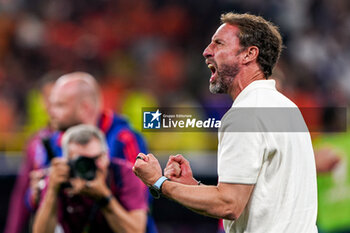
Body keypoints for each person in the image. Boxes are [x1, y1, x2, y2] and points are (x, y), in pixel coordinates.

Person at [133, 12, 318, 233]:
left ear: (249, 54)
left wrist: (160, 182)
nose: (206, 51)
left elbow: (229, 204)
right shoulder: (287, 108)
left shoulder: (245, 113)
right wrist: (194, 187)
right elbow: (258, 198)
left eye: (218, 44)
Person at [26, 72, 158, 232]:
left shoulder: (123, 139)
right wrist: (40, 193)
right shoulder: (53, 142)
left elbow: (141, 200)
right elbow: (34, 202)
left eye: (59, 105)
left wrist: (102, 194)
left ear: (85, 108)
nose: (50, 112)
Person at [33, 124, 148, 233]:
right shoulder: (60, 177)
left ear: (106, 156)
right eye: (82, 162)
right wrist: (52, 190)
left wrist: (105, 198)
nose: (92, 167)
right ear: (67, 162)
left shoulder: (123, 173)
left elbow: (136, 230)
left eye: (96, 159)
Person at [4, 72, 59, 233]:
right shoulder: (35, 142)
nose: (53, 104)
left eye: (58, 98)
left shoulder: (85, 139)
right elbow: (21, 191)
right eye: (48, 98)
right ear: (42, 101)